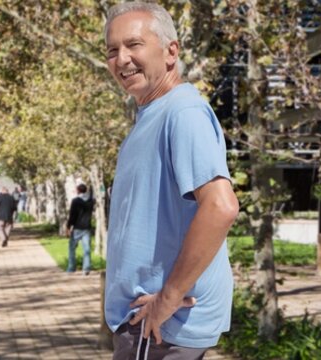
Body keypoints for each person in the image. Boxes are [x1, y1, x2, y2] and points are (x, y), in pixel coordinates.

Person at [103, 3, 240, 359]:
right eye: (112, 51)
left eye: (134, 44)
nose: (122, 59)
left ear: (170, 52)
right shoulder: (153, 114)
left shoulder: (183, 112)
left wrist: (169, 297)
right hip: (148, 324)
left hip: (160, 327)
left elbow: (221, 206)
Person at [66, 184, 96, 275]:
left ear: (78, 190)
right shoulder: (91, 201)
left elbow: (72, 215)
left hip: (77, 228)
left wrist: (68, 226)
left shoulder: (75, 201)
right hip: (87, 227)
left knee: (72, 248)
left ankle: (71, 268)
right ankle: (86, 269)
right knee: (86, 249)